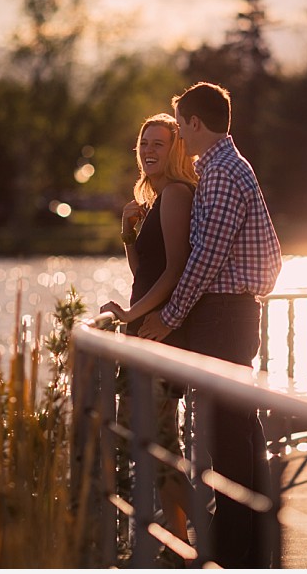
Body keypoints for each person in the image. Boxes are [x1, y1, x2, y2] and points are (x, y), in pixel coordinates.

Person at [138, 82, 282, 568]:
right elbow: (271, 256)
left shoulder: (221, 173)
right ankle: (257, 543)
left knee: (227, 435)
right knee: (241, 430)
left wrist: (170, 316)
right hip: (232, 312)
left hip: (225, 316)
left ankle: (231, 550)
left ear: (195, 123)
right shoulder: (226, 168)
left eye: (180, 124)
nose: (178, 132)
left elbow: (205, 257)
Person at [100, 112, 198, 555]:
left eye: (159, 143)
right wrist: (127, 231)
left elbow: (174, 272)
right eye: (144, 144)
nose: (149, 151)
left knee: (160, 439)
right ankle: (175, 537)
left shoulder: (177, 194)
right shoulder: (155, 200)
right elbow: (144, 271)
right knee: (150, 439)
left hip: (159, 334)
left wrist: (129, 315)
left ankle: (193, 534)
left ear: (176, 149)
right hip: (144, 328)